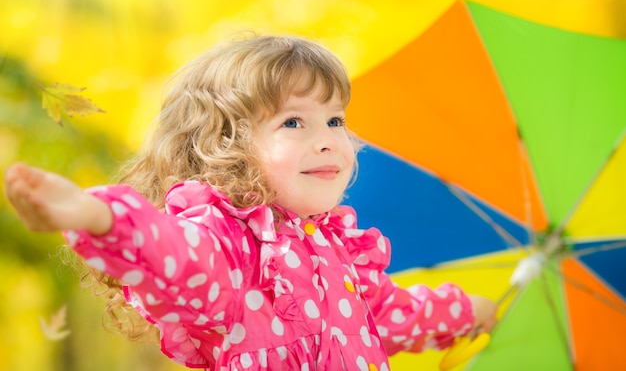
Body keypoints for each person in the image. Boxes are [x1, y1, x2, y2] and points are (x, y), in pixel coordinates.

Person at [4, 34, 498, 371]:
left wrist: (465, 312)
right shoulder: (232, 246)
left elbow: (391, 313)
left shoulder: (340, 250)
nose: (327, 140)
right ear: (225, 144)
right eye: (292, 122)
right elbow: (176, 255)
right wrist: (96, 215)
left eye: (335, 120)